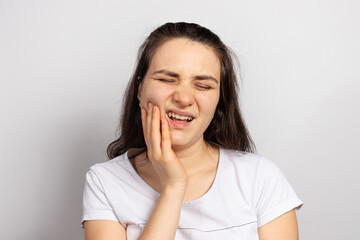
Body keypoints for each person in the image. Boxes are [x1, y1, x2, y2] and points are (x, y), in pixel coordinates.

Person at [81, 22, 303, 240]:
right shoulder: (104, 181)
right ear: (140, 89)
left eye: (204, 86)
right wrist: (173, 186)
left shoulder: (260, 177)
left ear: (220, 100)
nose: (184, 98)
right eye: (167, 79)